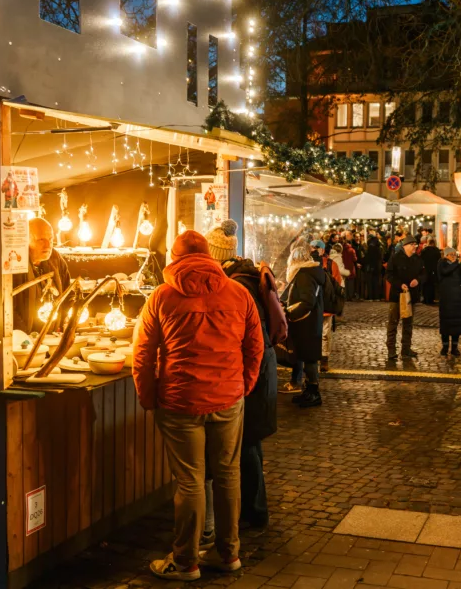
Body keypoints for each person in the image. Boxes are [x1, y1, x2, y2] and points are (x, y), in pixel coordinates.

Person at [133, 231, 263, 581]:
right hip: (228, 397)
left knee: (189, 482)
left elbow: (143, 354)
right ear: (211, 257)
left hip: (180, 401)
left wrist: (148, 396)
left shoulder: (161, 297)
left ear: (174, 259)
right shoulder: (239, 293)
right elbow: (255, 347)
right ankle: (228, 553)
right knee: (227, 474)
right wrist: (243, 386)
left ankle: (186, 561)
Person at [201, 221, 277, 538]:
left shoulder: (238, 287)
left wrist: (243, 383)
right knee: (248, 445)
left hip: (253, 375)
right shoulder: (244, 277)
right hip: (259, 372)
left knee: (246, 446)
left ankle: (252, 513)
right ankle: (253, 510)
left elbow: (248, 339)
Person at [283, 245, 326, 408]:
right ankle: (309, 391)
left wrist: (290, 312)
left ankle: (313, 393)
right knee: (308, 357)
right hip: (309, 321)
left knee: (309, 358)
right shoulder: (309, 273)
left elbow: (307, 301)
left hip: (306, 322)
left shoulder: (304, 275)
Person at [13, 218, 72, 333]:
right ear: (26, 240)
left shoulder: (55, 258)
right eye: (41, 240)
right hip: (25, 340)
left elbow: (68, 294)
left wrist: (68, 320)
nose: (48, 245)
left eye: (50, 239)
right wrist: (24, 337)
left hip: (53, 336)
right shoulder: (15, 263)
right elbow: (8, 308)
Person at [385, 236, 426, 363]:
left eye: (415, 244)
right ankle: (391, 350)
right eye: (412, 244)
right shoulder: (396, 258)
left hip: (411, 296)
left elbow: (424, 274)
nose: (415, 246)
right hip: (397, 295)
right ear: (405, 246)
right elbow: (389, 275)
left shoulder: (417, 259)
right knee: (393, 323)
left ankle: (406, 349)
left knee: (408, 324)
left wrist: (417, 280)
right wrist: (399, 284)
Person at [436, 247, 461, 356]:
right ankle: (445, 346)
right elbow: (445, 272)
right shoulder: (442, 263)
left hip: (457, 299)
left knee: (456, 324)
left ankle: (454, 347)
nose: (454, 256)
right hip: (447, 299)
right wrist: (458, 261)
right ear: (446, 255)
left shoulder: (457, 265)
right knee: (446, 323)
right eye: (451, 254)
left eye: (455, 254)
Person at [420, 238, 442, 305]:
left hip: (426, 270)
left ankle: (425, 299)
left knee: (426, 285)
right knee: (432, 285)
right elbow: (439, 259)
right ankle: (431, 299)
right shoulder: (437, 250)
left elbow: (421, 259)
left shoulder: (425, 250)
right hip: (434, 270)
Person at [364, 231, 383, 300]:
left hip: (371, 268)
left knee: (370, 283)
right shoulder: (378, 247)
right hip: (377, 268)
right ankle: (376, 297)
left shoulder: (370, 247)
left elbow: (368, 258)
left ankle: (370, 297)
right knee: (376, 282)